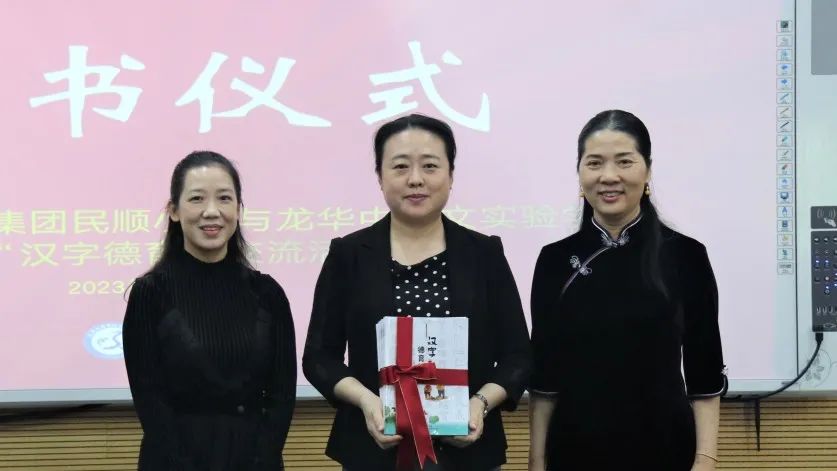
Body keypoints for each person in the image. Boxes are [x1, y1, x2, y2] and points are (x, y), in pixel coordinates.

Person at [303, 114, 532, 470]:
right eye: (400, 166)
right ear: (380, 177)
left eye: (430, 166)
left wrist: (480, 404)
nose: (415, 179)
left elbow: (518, 355)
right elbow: (319, 357)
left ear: (451, 175)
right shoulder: (348, 254)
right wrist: (367, 401)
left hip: (469, 453)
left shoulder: (484, 253)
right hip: (373, 451)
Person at [528, 110, 726, 471]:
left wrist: (705, 460)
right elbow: (545, 381)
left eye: (624, 161)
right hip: (574, 450)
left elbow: (705, 372)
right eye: (594, 163)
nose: (609, 176)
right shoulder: (555, 260)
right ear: (579, 173)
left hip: (666, 448)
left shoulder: (686, 256)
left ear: (647, 170)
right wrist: (537, 463)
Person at [122, 151, 296, 470]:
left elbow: (281, 395)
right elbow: (150, 398)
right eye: (197, 199)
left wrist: (262, 459)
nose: (212, 211)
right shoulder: (150, 294)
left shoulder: (268, 293)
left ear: (239, 209)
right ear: (174, 211)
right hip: (173, 462)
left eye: (224, 198)